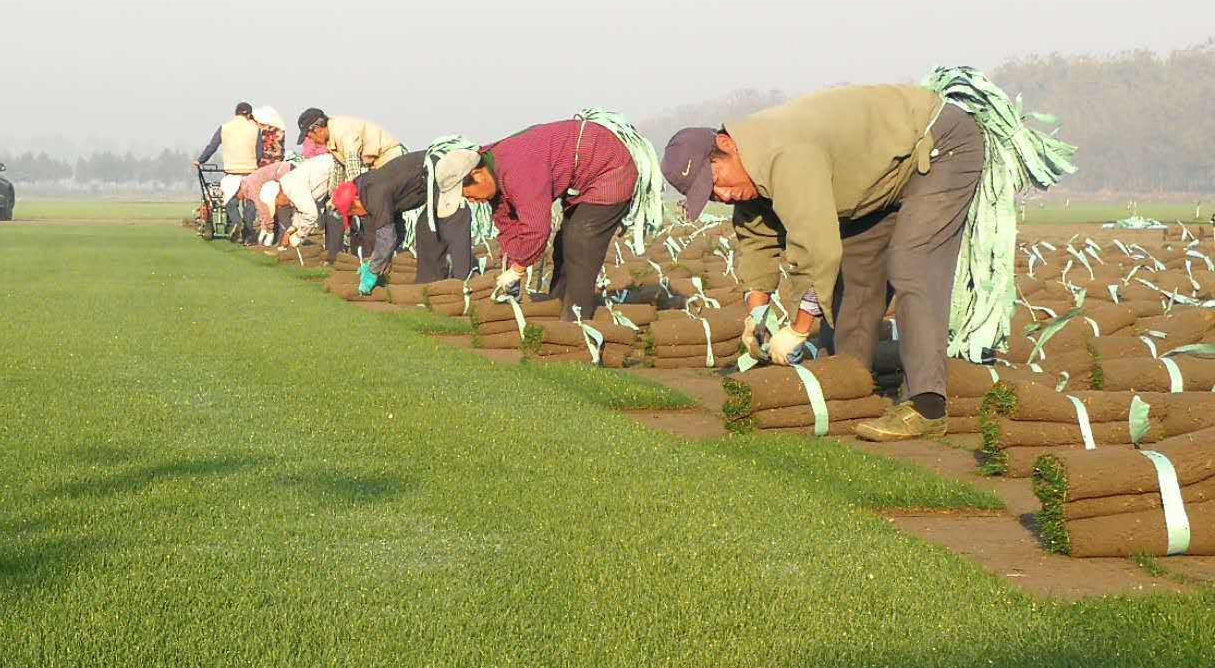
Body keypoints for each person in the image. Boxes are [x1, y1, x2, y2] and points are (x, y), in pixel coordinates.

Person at [660, 79, 1053, 441]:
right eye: (711, 195)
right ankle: (850, 383)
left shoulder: (784, 155)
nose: (724, 196)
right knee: (856, 278)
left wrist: (798, 329)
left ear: (726, 145)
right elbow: (756, 240)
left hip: (938, 146)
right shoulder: (748, 171)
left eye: (717, 181)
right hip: (876, 182)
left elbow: (818, 249)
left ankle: (927, 405)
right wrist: (756, 317)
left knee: (912, 263)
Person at [460, 117, 638, 322]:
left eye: (468, 194)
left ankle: (575, 320)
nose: (471, 201)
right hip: (581, 181)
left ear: (478, 175)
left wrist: (518, 269)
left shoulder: (517, 170)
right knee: (563, 245)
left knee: (581, 239)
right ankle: (557, 306)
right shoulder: (494, 178)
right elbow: (509, 227)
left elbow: (536, 229)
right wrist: (512, 263)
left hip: (610, 168)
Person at [328, 145, 482, 292]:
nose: (359, 216)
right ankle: (432, 288)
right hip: (433, 181)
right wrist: (378, 262)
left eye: (354, 212)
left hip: (444, 171)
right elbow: (397, 231)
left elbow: (386, 238)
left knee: (449, 224)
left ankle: (466, 282)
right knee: (424, 229)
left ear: (355, 201)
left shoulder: (374, 195)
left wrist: (373, 270)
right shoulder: (368, 189)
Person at [193, 102, 283, 222]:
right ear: (249, 115)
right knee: (251, 203)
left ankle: (236, 222)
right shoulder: (255, 130)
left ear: (235, 113)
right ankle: (248, 231)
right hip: (250, 173)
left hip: (231, 173)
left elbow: (212, 147)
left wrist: (200, 160)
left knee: (230, 201)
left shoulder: (224, 128)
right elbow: (259, 153)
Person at [296, 109, 404, 187]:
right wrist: (333, 196)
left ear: (317, 129)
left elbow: (353, 171)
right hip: (376, 165)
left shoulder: (343, 132)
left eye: (310, 137)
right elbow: (339, 170)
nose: (312, 141)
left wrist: (347, 195)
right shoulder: (330, 138)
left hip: (390, 158)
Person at [264, 153, 337, 248]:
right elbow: (300, 210)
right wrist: (290, 231)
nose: (280, 207)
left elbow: (311, 215)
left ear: (278, 195)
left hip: (337, 168)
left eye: (278, 205)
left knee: (337, 214)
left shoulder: (294, 188)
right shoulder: (287, 186)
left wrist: (298, 237)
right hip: (330, 172)